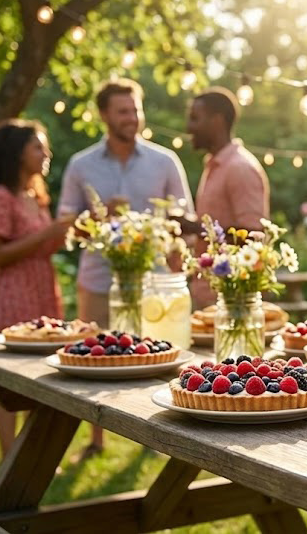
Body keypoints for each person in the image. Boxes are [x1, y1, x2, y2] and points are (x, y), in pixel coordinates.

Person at [58, 79, 194, 454]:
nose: (132, 118)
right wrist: (99, 219)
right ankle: (96, 439)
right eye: (122, 111)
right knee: (94, 360)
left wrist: (178, 261)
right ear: (103, 115)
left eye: (135, 110)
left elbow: (186, 218)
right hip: (99, 279)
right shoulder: (80, 164)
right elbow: (65, 223)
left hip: (155, 281)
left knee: (158, 356)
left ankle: (162, 434)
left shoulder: (165, 160)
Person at [0, 119, 74, 456]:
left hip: (41, 291)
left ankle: (31, 456)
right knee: (7, 378)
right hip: (13, 295)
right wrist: (45, 235)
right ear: (17, 153)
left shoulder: (35, 196)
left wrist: (68, 234)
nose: (46, 152)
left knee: (40, 375)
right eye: (37, 146)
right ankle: (8, 456)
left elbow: (40, 246)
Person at [184, 87, 270, 309]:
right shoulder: (214, 165)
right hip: (209, 297)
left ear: (217, 121)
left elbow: (253, 238)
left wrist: (194, 227)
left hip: (233, 302)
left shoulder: (240, 168)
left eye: (195, 118)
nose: (188, 127)